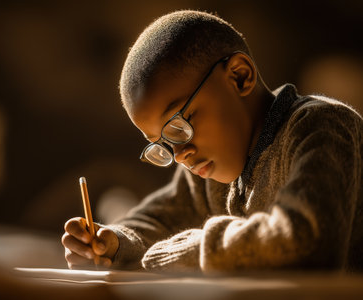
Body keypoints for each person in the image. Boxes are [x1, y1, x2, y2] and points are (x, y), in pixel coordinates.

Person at [62, 10, 363, 272]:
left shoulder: (320, 127)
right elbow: (157, 223)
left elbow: (307, 243)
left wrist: (196, 250)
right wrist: (113, 243)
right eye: (163, 143)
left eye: (179, 125)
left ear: (239, 77)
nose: (180, 155)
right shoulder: (210, 169)